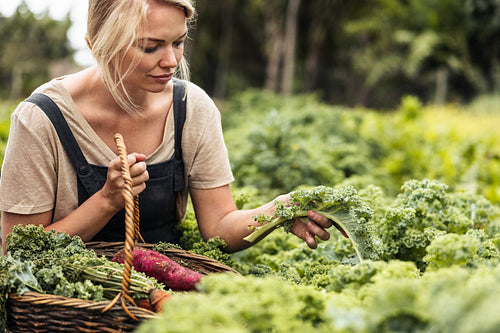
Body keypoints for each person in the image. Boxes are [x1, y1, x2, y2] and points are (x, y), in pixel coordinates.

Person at [0, 0, 335, 254]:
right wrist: (106, 200)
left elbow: (219, 226)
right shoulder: (41, 119)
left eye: (178, 42)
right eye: (151, 47)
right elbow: (18, 250)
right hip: (67, 307)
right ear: (100, 43)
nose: (172, 61)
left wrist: (277, 210)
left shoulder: (192, 109)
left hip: (165, 294)